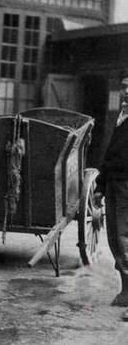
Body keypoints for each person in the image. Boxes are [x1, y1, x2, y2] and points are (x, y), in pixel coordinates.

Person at [94, 72, 128, 317]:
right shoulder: (122, 118)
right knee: (116, 238)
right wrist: (100, 186)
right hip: (116, 184)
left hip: (127, 185)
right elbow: (111, 156)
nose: (126, 92)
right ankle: (126, 290)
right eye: (124, 87)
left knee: (125, 238)